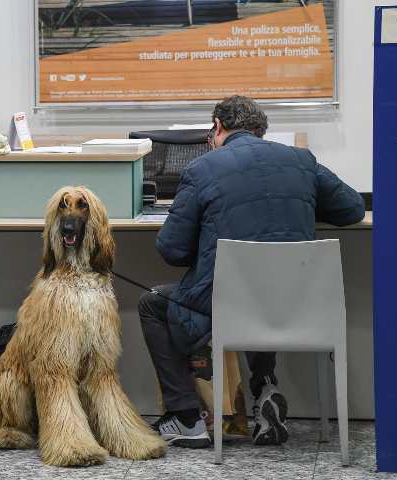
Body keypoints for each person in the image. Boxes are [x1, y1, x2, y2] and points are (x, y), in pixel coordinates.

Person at [140, 95, 365, 449]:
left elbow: (172, 250)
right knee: (263, 285)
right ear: (262, 131)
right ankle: (264, 393)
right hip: (298, 304)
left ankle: (186, 418)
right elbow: (352, 208)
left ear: (217, 127)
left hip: (228, 305)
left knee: (152, 303)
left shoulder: (203, 169)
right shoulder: (301, 161)